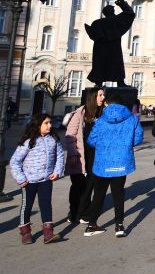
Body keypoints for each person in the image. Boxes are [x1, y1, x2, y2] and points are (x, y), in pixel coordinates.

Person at [84, 99, 144, 237]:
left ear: (108, 104)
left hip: (103, 162)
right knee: (118, 194)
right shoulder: (132, 119)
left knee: (99, 194)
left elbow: (91, 140)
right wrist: (126, 145)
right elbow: (138, 138)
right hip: (121, 161)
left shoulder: (101, 120)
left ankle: (92, 224)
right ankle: (119, 225)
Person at [10, 113, 66, 244]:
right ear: (38, 125)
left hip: (46, 179)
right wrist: (21, 178)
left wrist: (57, 171)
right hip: (29, 181)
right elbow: (15, 161)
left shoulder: (54, 139)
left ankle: (48, 233)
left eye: (50, 123)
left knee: (46, 205)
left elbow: (60, 156)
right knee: (26, 206)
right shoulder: (29, 141)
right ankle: (26, 233)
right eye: (46, 123)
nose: (50, 125)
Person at [64, 86, 105, 225]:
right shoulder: (80, 113)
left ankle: (84, 212)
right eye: (100, 95)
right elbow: (70, 135)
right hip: (80, 155)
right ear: (93, 97)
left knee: (90, 184)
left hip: (95, 155)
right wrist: (73, 153)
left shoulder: (102, 114)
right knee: (78, 185)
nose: (103, 98)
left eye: (103, 95)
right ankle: (74, 212)